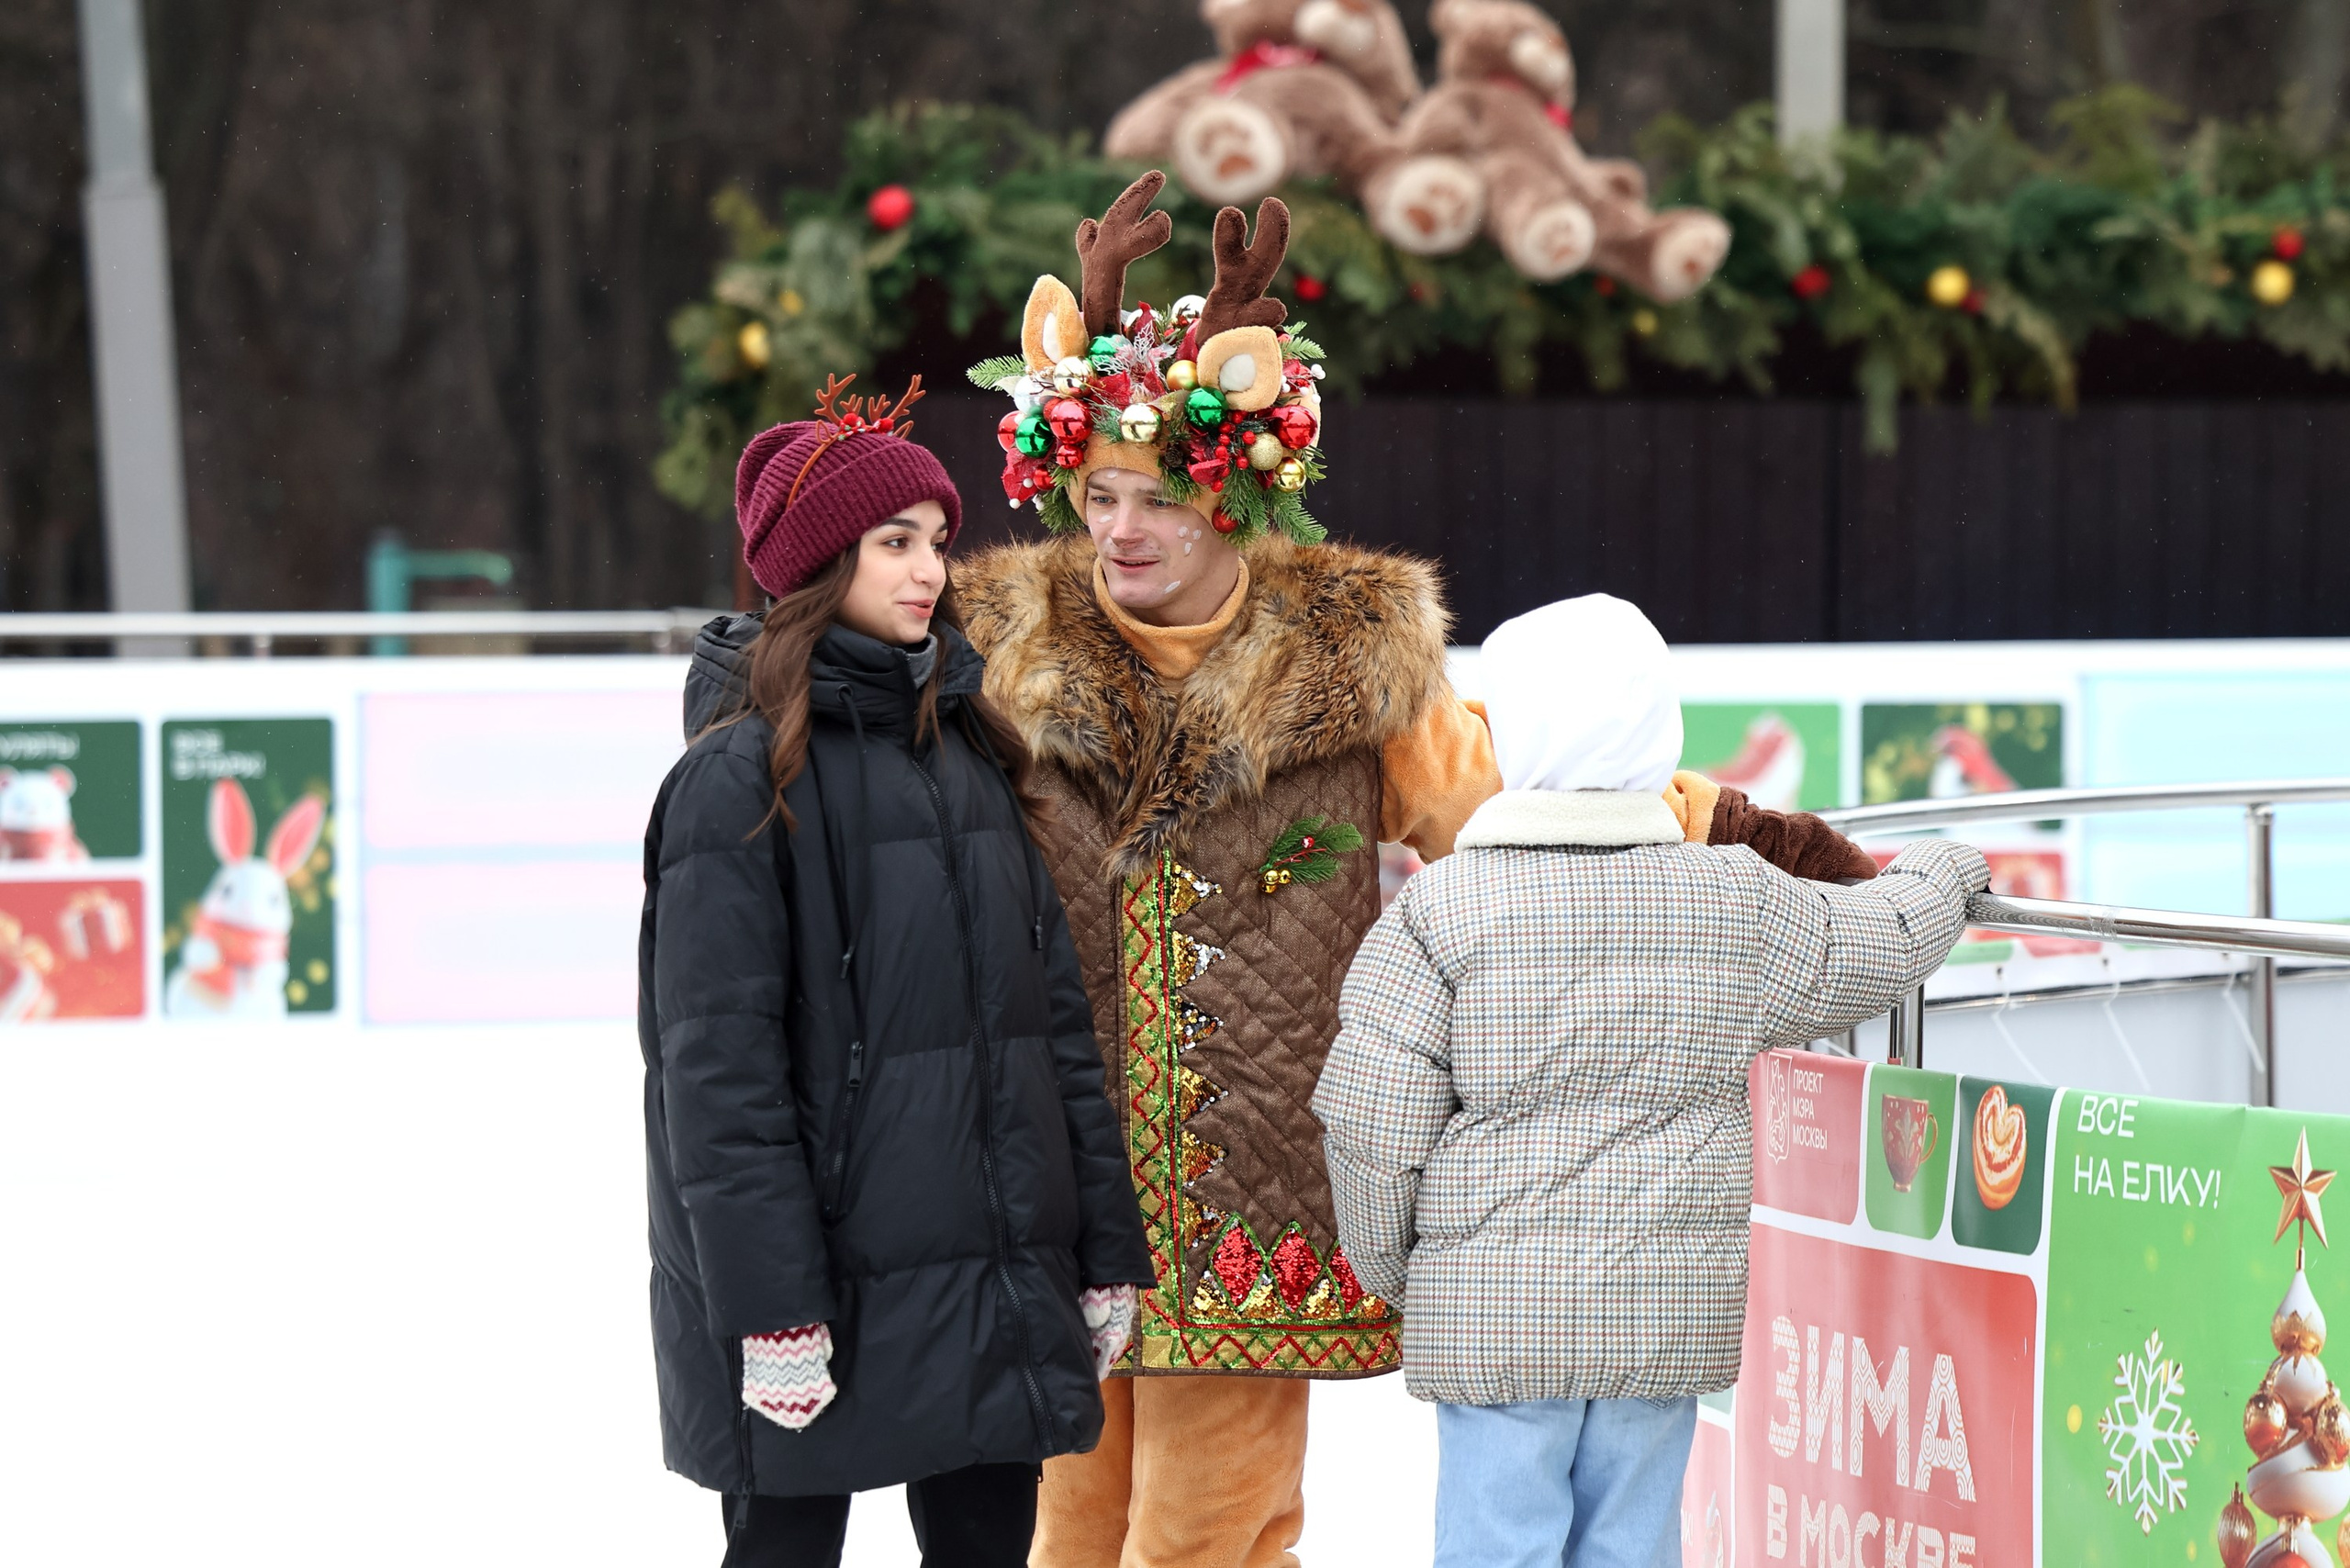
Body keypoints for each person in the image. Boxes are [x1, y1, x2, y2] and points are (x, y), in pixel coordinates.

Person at [954, 174, 1886, 1568]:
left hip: (1247, 1190)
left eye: (1155, 499)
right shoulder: (1003, 675)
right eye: (1098, 497)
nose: (1121, 531)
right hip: (1057, 1170)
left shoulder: (1351, 677)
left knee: (1206, 1528)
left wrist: (1745, 838)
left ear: (1238, 500)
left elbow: (1538, 807)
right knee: (1074, 1514)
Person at [1311, 594, 1990, 1568]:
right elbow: (1875, 939)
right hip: (1659, 1312)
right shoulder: (1733, 898)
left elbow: (1370, 1121)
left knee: (1495, 1544)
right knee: (1633, 1542)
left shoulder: (1445, 909)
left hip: (1495, 1310)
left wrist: (1398, 1272)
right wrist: (1939, 870)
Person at [637, 375, 1155, 1568]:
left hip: (989, 1274)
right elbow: (717, 1075)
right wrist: (771, 1307)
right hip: (818, 1287)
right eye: (893, 543)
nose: (928, 569)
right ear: (822, 563)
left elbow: (1053, 1033)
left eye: (936, 542)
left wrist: (1097, 1250)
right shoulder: (733, 783)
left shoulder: (969, 754)